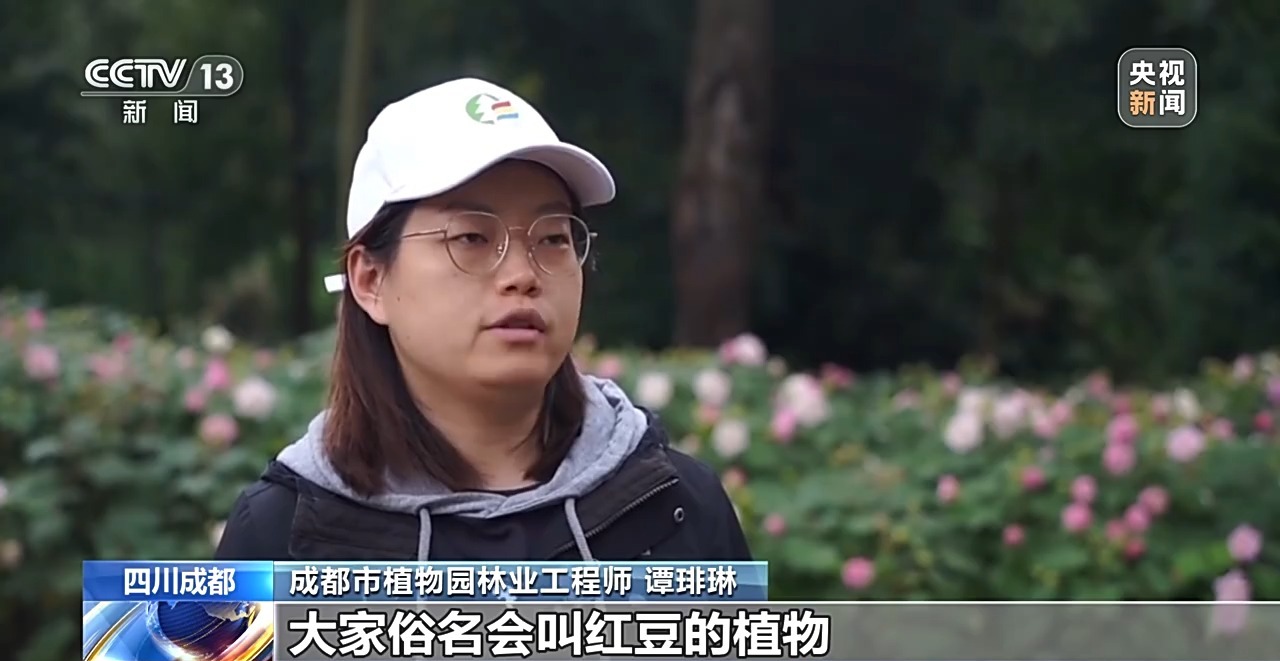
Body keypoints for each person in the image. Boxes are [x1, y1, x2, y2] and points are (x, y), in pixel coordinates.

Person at [214, 78, 752, 562]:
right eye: (471, 237)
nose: (522, 275)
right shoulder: (280, 539)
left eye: (553, 237)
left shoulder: (679, 509)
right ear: (370, 280)